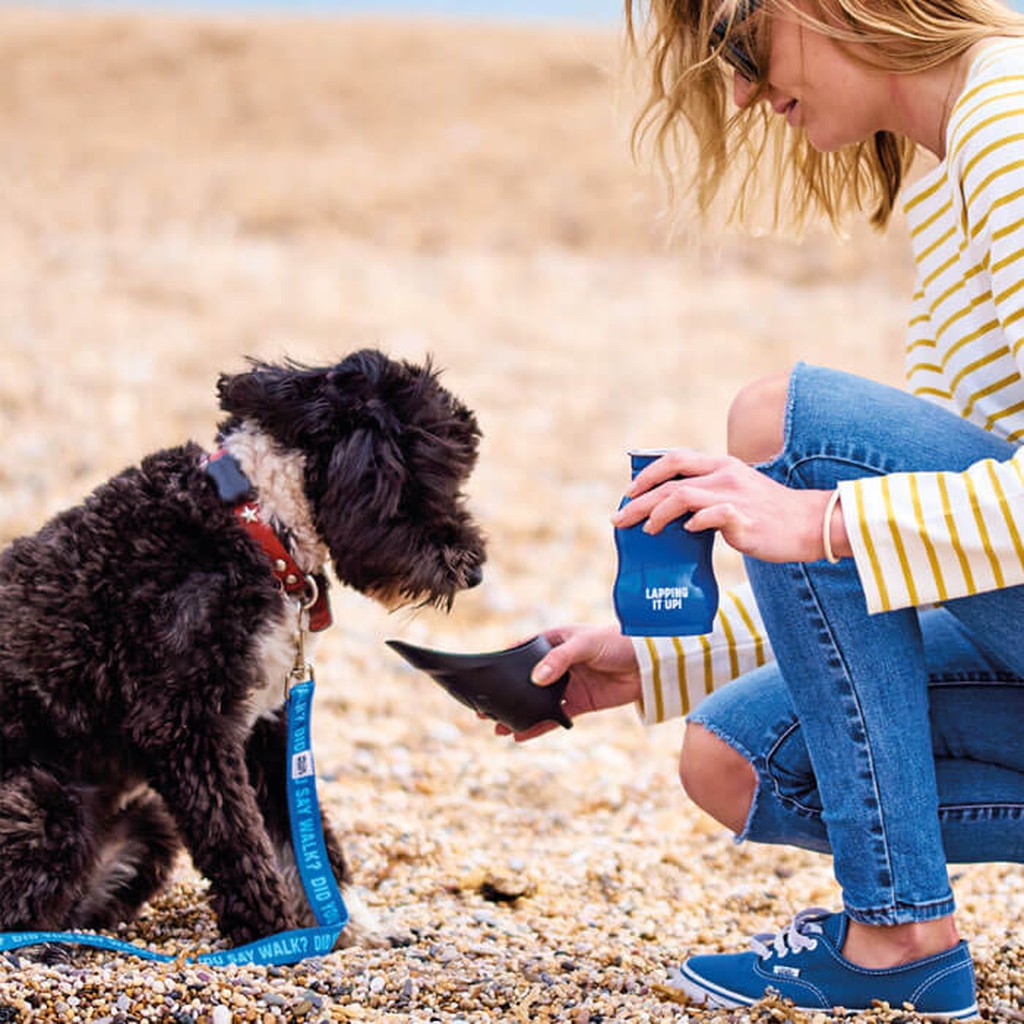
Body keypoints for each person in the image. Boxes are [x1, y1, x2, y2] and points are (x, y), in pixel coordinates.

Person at [505, 0, 1024, 1017]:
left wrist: (819, 518)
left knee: (785, 425)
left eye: (739, 45)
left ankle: (899, 936)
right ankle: (898, 935)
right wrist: (659, 659)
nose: (740, 92)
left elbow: (873, 528)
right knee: (741, 760)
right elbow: (936, 560)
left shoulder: (1008, 120)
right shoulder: (949, 169)